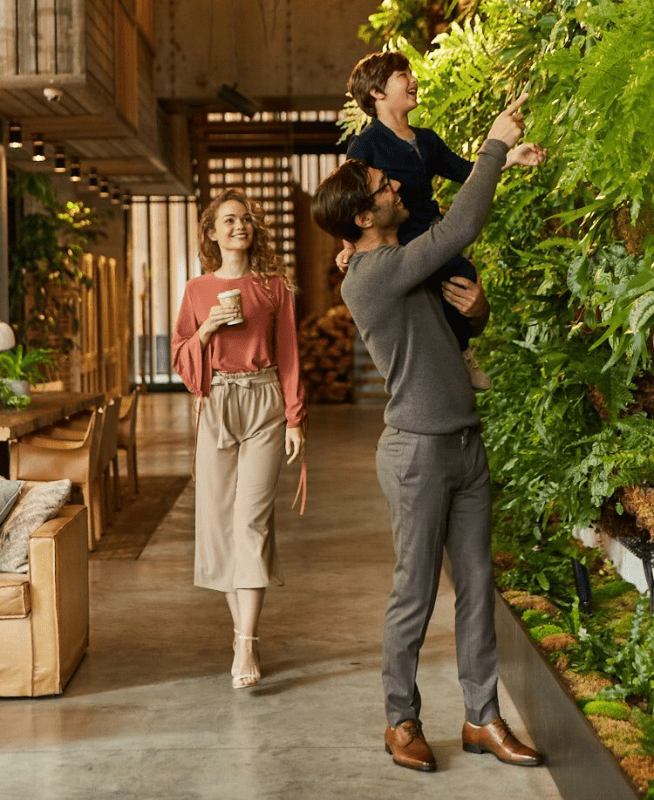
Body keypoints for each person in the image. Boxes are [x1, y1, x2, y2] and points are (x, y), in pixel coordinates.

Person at [311, 97, 544, 772]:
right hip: (416, 450)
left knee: (476, 585)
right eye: (385, 188)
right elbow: (462, 225)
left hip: (464, 442)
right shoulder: (371, 274)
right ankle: (401, 719)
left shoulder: (404, 259)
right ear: (363, 217)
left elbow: (441, 340)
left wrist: (481, 311)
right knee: (413, 593)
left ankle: (482, 718)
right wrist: (495, 146)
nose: (397, 187)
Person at [343, 50, 546, 389]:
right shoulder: (364, 144)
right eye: (402, 76)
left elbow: (467, 172)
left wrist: (510, 156)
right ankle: (437, 372)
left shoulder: (427, 140)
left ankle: (463, 352)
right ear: (377, 93)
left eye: (411, 72)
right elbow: (348, 200)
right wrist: (350, 247)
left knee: (464, 277)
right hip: (400, 244)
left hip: (435, 233)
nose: (414, 80)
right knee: (425, 302)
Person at [172, 188, 306, 689]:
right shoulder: (196, 290)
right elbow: (182, 358)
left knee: (251, 522)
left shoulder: (274, 287)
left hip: (264, 400)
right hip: (217, 405)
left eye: (246, 219)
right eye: (228, 220)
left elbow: (289, 353)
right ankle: (240, 634)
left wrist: (295, 418)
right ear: (211, 232)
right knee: (219, 526)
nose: (239, 226)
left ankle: (246, 643)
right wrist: (206, 327)